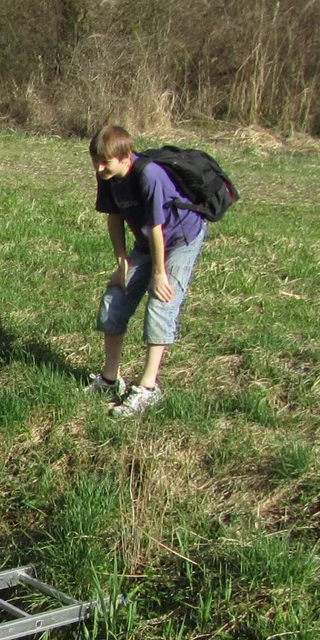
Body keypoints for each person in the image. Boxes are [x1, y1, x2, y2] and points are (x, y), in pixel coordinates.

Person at [83, 123, 208, 420]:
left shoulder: (149, 176)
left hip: (178, 239)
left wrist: (159, 273)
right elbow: (113, 218)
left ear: (126, 157)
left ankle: (148, 389)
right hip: (145, 240)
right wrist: (121, 262)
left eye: (106, 162)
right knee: (113, 301)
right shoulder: (108, 177)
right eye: (96, 161)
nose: (100, 168)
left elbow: (157, 227)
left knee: (159, 304)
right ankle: (110, 379)